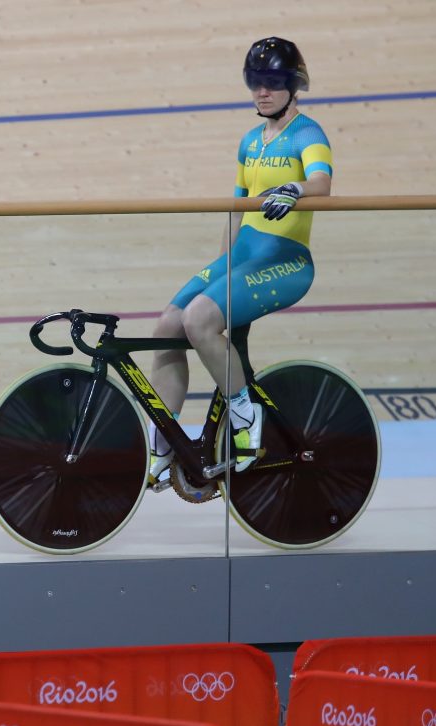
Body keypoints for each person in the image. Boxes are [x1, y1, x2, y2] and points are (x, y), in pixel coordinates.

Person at [149, 36, 332, 479]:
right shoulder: (250, 142)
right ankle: (165, 442)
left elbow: (322, 183)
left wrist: (296, 188)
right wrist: (221, 268)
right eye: (255, 82)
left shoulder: (308, 133)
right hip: (245, 256)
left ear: (294, 85)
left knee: (198, 321)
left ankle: (246, 415)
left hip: (285, 260)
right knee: (169, 323)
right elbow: (237, 208)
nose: (261, 91)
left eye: (272, 82)